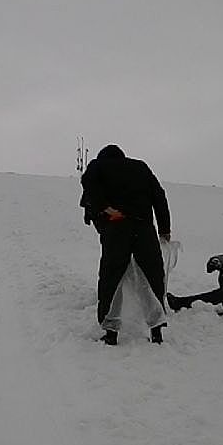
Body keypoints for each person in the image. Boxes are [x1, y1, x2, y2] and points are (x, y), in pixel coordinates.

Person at [80, 144, 171, 344]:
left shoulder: (99, 165)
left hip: (117, 228)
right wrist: (164, 229)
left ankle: (111, 333)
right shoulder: (140, 167)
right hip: (144, 229)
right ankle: (156, 331)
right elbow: (159, 196)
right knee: (151, 276)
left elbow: (87, 182)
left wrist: (104, 207)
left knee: (113, 277)